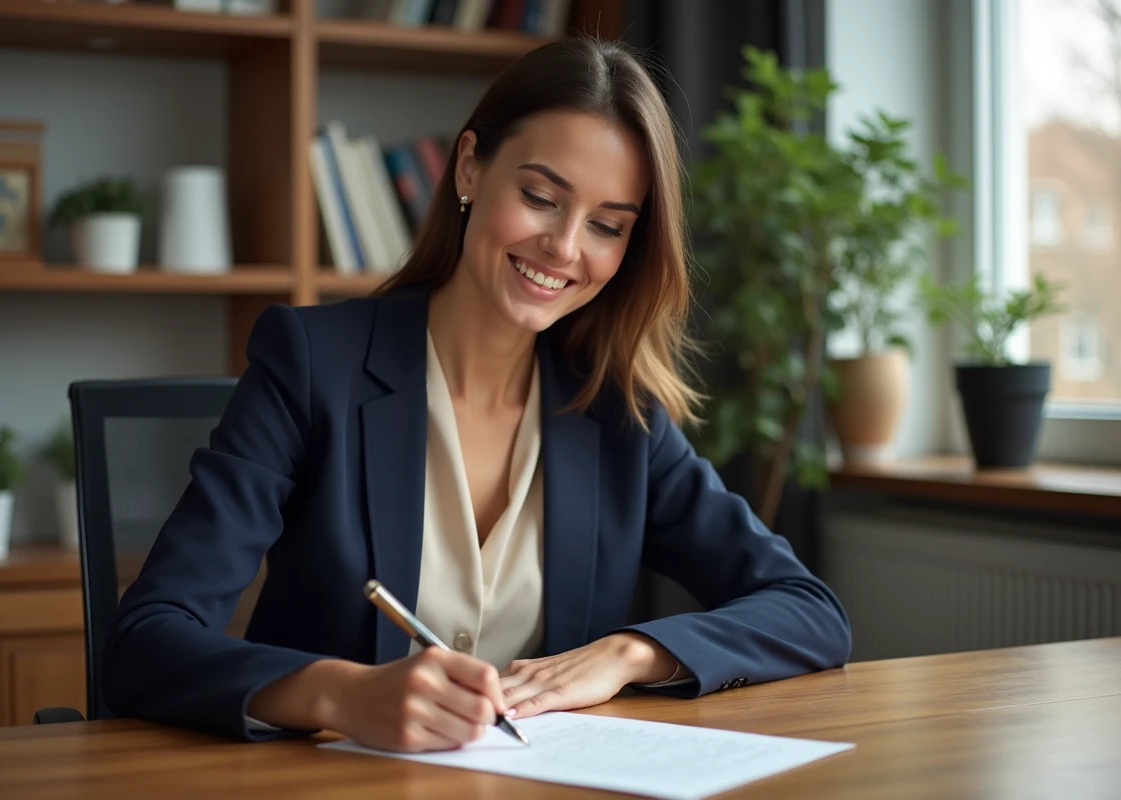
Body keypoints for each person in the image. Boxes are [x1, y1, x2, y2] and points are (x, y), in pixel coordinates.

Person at [102, 35, 851, 753]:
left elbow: (807, 609)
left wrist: (630, 653)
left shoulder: (621, 413)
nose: (565, 248)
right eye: (539, 196)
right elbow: (145, 639)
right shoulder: (311, 364)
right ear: (469, 167)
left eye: (607, 225)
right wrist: (340, 695)